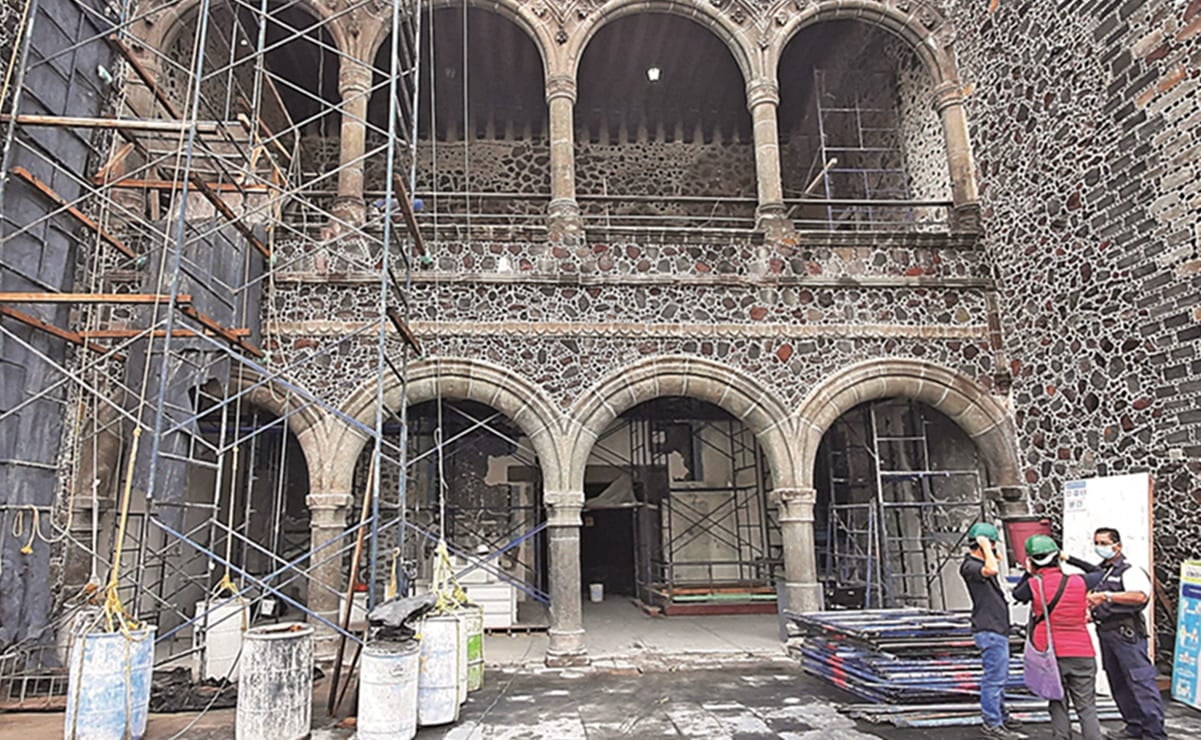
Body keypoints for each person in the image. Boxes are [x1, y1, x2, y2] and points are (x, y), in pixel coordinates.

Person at [1074, 527, 1166, 740]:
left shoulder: (1129, 571)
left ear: (1118, 545)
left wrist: (1107, 597)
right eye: (1097, 542)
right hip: (1105, 631)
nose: (1100, 547)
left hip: (1127, 633)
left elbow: (1140, 596)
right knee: (1118, 682)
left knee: (1140, 682)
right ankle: (1133, 727)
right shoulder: (1100, 572)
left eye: (1104, 543)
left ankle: (1154, 733)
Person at [1013, 534, 1103, 740]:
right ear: (1056, 556)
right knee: (1087, 707)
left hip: (1050, 654)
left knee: (1057, 702)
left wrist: (1029, 572)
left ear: (1032, 560)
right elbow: (1098, 571)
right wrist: (1068, 558)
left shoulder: (1034, 586)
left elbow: (1018, 594)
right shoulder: (1080, 581)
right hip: (1082, 652)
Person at [959, 522, 1019, 737]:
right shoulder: (970, 566)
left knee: (1000, 677)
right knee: (994, 679)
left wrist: (989, 550)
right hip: (989, 630)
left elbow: (994, 566)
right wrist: (986, 546)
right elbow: (991, 568)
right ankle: (992, 723)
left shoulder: (978, 563)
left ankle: (1001, 715)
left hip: (997, 629)